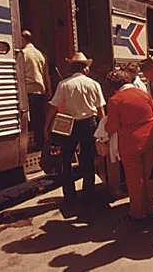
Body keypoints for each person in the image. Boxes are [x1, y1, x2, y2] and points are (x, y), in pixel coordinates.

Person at [44, 52, 106, 206]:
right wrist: (103, 129)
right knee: (88, 159)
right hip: (89, 124)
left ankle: (70, 196)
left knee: (66, 159)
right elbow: (100, 110)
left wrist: (47, 126)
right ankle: (88, 193)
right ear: (85, 68)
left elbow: (53, 107)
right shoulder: (94, 84)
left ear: (72, 67)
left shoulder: (64, 84)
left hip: (69, 124)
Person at [105, 70, 153, 220]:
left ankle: (138, 212)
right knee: (151, 174)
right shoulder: (143, 94)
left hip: (130, 142)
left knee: (134, 178)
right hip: (151, 138)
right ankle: (152, 208)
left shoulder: (115, 100)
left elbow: (113, 126)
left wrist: (104, 129)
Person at [17, 30, 52, 150]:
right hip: (40, 92)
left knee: (29, 121)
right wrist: (49, 91)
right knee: (40, 121)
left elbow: (19, 74)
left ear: (23, 39)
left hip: (28, 91)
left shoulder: (23, 54)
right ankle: (41, 145)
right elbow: (46, 75)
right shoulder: (40, 54)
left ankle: (29, 146)